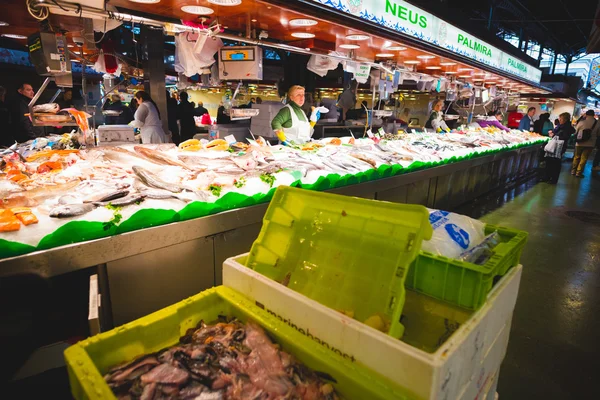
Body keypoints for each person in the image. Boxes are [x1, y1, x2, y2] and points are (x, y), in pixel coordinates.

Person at [543, 112, 575, 184]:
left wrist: (554, 135)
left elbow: (565, 136)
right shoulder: (560, 125)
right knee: (550, 161)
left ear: (565, 119)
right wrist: (553, 133)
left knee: (556, 163)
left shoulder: (567, 127)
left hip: (559, 147)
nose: (559, 119)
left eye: (561, 118)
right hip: (555, 146)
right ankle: (547, 177)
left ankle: (553, 179)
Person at [571, 110, 599, 178]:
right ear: (593, 114)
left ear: (586, 114)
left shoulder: (582, 122)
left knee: (576, 157)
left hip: (579, 143)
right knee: (584, 158)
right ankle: (579, 172)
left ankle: (573, 171)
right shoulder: (597, 123)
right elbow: (598, 134)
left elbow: (575, 132)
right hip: (590, 143)